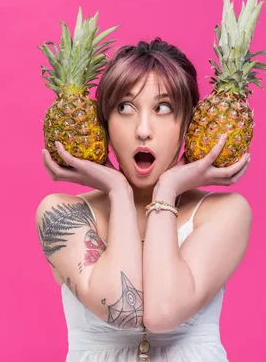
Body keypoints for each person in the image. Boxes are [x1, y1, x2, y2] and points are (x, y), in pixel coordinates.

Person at [37, 38, 252, 361]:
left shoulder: (225, 212)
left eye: (163, 108)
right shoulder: (61, 212)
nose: (143, 130)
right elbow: (123, 310)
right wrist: (118, 191)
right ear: (103, 122)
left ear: (189, 124)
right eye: (124, 107)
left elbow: (163, 313)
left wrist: (167, 189)